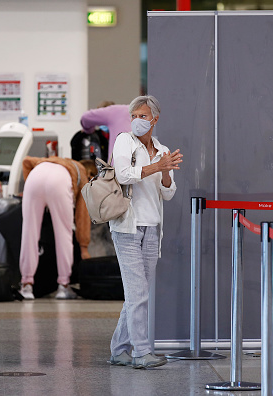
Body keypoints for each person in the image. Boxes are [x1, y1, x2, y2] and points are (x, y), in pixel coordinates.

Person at [107, 95, 182, 369]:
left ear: (155, 118)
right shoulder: (124, 141)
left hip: (152, 228)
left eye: (143, 115)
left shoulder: (162, 149)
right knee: (138, 293)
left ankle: (118, 349)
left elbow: (168, 192)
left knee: (138, 294)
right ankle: (141, 351)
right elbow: (123, 174)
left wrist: (165, 172)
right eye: (134, 116)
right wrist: (156, 166)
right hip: (127, 227)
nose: (138, 120)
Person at [18, 156, 95, 300]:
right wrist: (84, 247)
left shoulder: (52, 160)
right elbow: (82, 216)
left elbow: (26, 161)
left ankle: (26, 285)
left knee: (29, 234)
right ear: (91, 174)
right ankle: (63, 286)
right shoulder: (82, 174)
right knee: (63, 234)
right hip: (59, 182)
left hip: (34, 178)